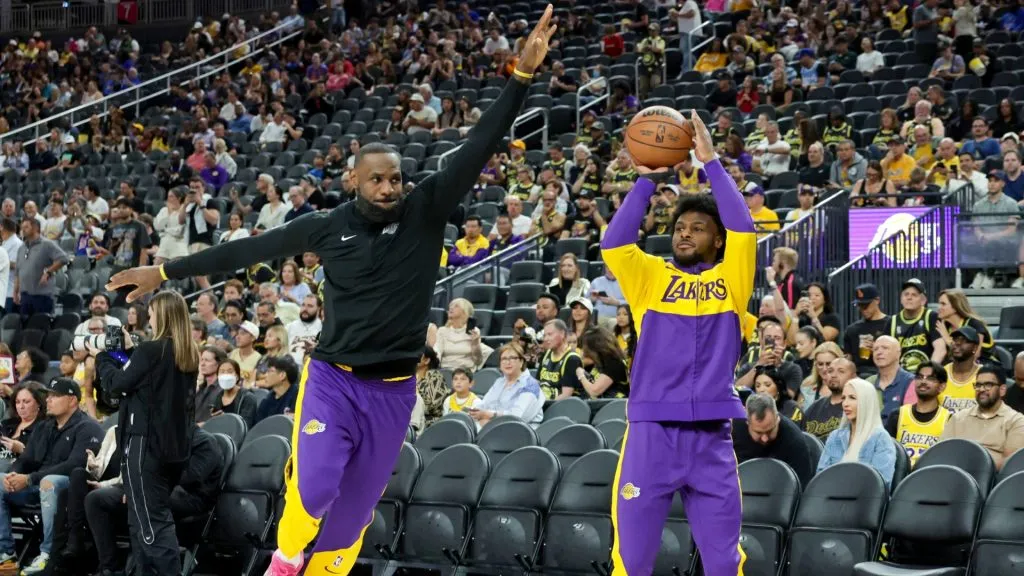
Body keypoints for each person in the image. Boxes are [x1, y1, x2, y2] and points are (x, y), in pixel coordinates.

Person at [105, 10, 557, 576]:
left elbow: (480, 143)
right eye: (377, 179)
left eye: (395, 177)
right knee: (315, 489)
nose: (389, 187)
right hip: (334, 381)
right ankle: (286, 558)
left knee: (350, 520)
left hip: (393, 392)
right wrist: (166, 274)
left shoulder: (427, 208)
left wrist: (520, 76)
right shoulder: (326, 225)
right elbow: (245, 252)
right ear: (354, 180)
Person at [600, 111, 754, 575]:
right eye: (680, 226)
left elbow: (745, 229)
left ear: (719, 240)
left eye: (698, 227)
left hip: (712, 437)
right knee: (632, 560)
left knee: (726, 563)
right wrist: (647, 182)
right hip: (651, 434)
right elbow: (615, 244)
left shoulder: (733, 279)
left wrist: (710, 163)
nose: (684, 232)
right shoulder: (650, 277)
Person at [91, 291, 199, 576]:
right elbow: (144, 382)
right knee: (142, 521)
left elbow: (115, 385)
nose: (148, 319)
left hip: (144, 447)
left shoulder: (152, 350)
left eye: (151, 314)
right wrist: (127, 353)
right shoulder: (188, 353)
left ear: (160, 315)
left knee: (150, 526)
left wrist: (103, 357)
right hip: (175, 449)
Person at [817, 378, 897, 488]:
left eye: (852, 398)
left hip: (865, 501)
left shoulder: (881, 438)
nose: (845, 403)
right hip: (833, 498)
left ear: (867, 402)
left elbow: (881, 485)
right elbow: (821, 476)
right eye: (844, 398)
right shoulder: (835, 436)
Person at [940, 364, 1024, 470]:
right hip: (955, 476)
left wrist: (972, 465)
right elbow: (942, 453)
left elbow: (1010, 464)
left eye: (988, 385)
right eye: (978, 385)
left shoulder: (1016, 421)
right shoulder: (959, 418)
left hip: (993, 480)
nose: (981, 389)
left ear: (1002, 390)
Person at [733, 393, 815, 488]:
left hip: (780, 494)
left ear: (778, 419)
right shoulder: (732, 432)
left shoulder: (794, 440)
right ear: (747, 422)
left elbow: (802, 488)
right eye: (758, 433)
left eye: (769, 431)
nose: (765, 438)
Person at [886, 361, 951, 465]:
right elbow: (887, 452)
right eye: (919, 377)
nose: (923, 382)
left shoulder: (949, 419)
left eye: (930, 378)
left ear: (942, 387)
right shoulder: (897, 415)